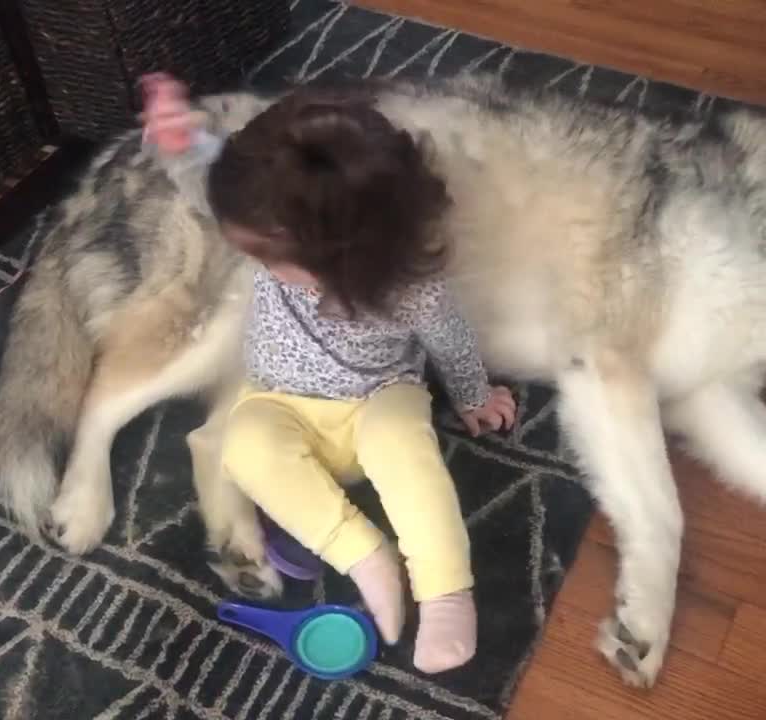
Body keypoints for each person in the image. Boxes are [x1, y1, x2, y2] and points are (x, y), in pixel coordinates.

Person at [140, 73, 517, 673]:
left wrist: (473, 395)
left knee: (404, 448)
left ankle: (445, 593)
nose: (255, 263)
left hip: (381, 398)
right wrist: (176, 141)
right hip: (281, 401)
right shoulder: (271, 211)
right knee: (245, 446)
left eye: (268, 258)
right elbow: (210, 187)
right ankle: (366, 557)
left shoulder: (410, 289)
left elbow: (451, 338)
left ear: (341, 257)